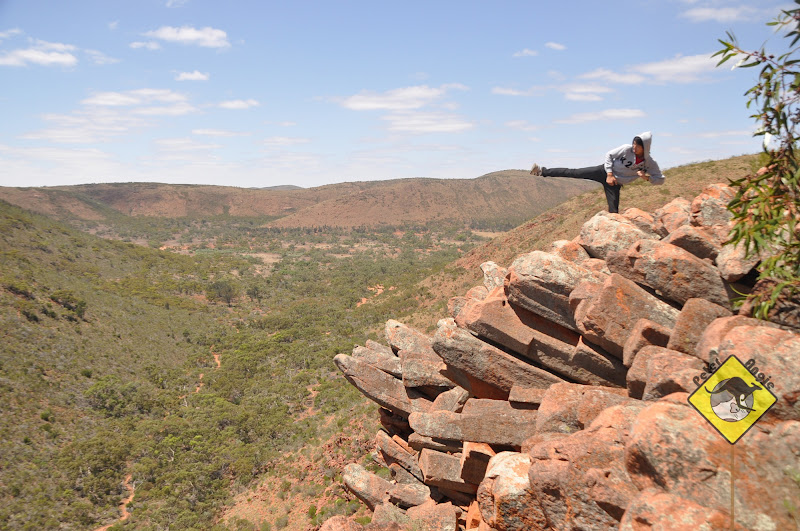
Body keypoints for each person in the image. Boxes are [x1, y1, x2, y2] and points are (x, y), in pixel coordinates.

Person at [529, 131, 664, 214]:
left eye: (638, 146)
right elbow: (609, 155)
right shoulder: (626, 149)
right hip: (603, 171)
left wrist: (646, 178)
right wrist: (609, 174)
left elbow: (660, 179)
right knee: (574, 173)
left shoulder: (649, 163)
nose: (634, 147)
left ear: (645, 147)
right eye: (634, 144)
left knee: (614, 212)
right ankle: (541, 171)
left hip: (615, 183)